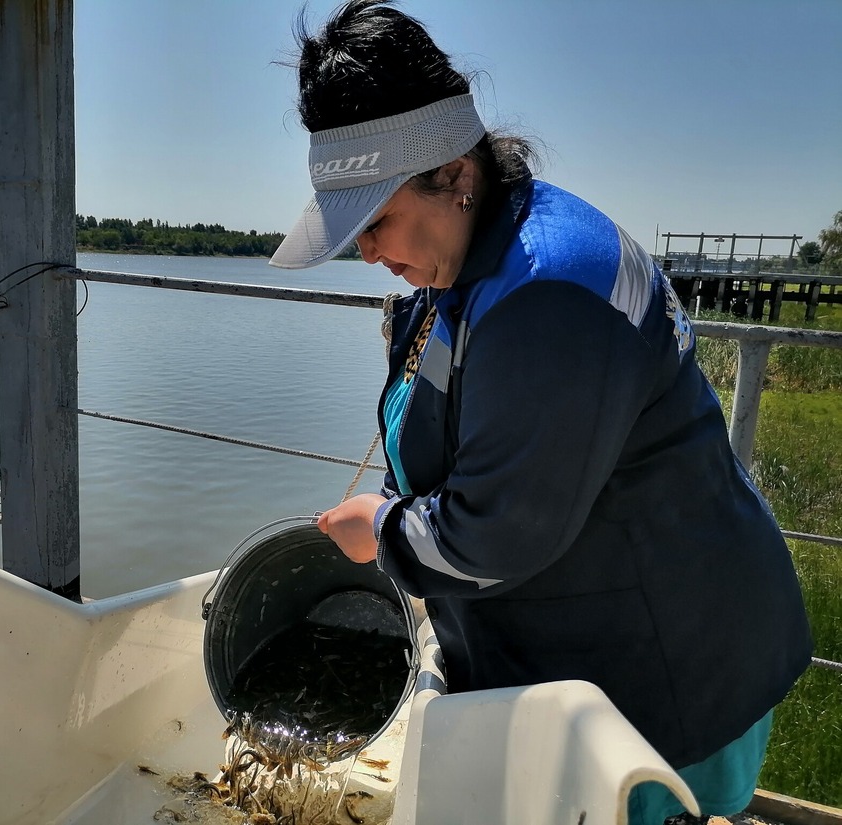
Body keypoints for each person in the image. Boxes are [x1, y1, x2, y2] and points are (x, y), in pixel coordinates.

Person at [269, 3, 813, 824]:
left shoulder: (548, 290)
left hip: (666, 675)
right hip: (575, 650)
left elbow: (497, 535)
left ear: (455, 172)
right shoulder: (465, 261)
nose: (370, 255)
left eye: (376, 221)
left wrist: (382, 530)